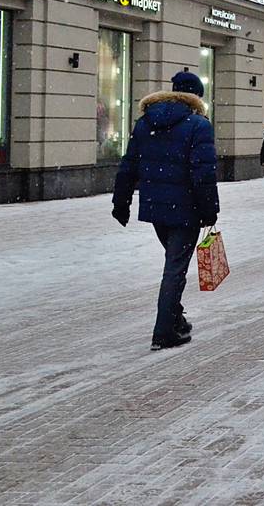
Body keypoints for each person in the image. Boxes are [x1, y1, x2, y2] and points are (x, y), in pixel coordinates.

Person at [111, 71, 218, 351]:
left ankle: (176, 319)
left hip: (157, 208)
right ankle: (164, 332)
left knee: (173, 264)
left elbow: (129, 164)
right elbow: (203, 173)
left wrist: (120, 203)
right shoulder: (199, 125)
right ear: (196, 97)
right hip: (187, 209)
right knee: (174, 269)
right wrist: (209, 210)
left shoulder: (146, 122)